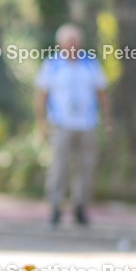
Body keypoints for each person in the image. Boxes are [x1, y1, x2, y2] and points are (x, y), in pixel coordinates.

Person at [35, 24, 111, 227]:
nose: (73, 45)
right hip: (61, 124)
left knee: (86, 167)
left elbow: (102, 93)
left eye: (75, 41)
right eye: (69, 41)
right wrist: (41, 125)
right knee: (60, 167)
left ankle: (80, 207)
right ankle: (55, 207)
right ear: (61, 44)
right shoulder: (52, 65)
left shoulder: (90, 64)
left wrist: (107, 120)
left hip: (88, 124)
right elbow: (42, 96)